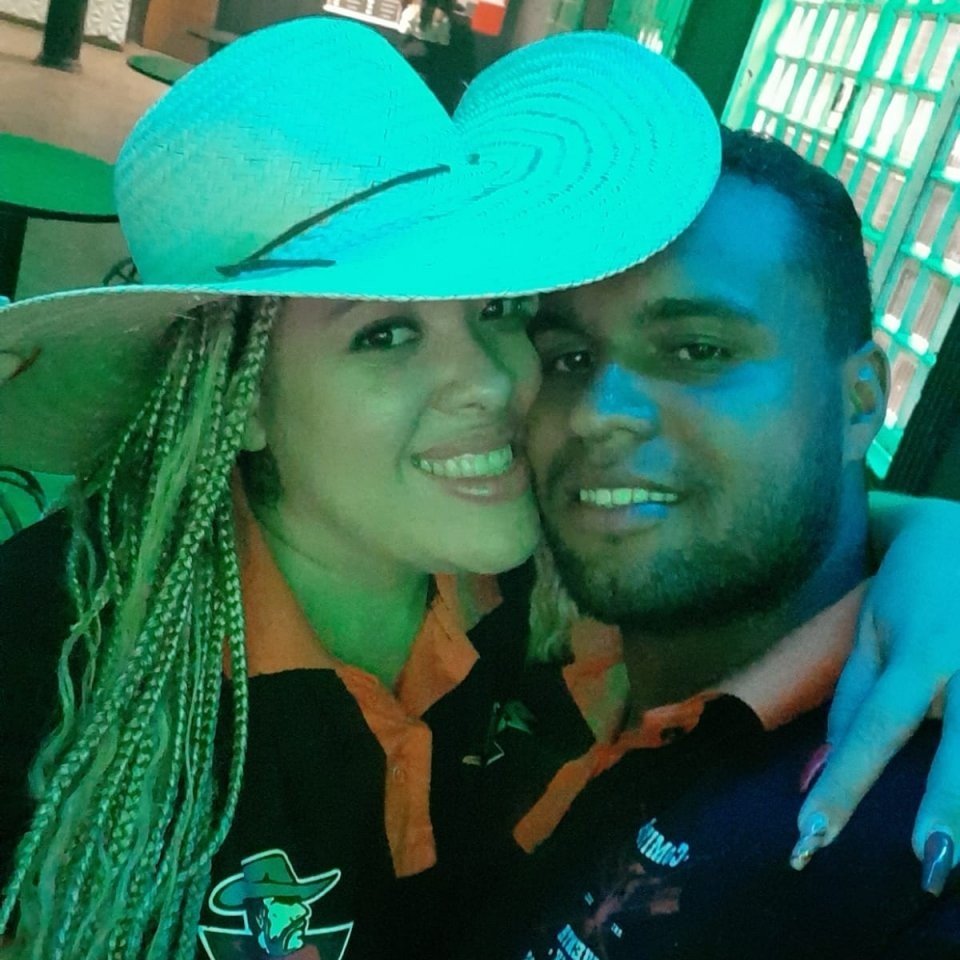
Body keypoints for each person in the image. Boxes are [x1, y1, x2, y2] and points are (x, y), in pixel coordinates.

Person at [0, 20, 722, 960]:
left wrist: (901, 540)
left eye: (497, 308)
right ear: (242, 401)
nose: (494, 380)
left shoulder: (571, 564)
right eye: (385, 334)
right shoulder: (49, 659)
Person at [461, 127, 960, 960]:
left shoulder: (905, 836)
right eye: (568, 356)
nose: (597, 413)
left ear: (860, 402)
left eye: (697, 350)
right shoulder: (509, 593)